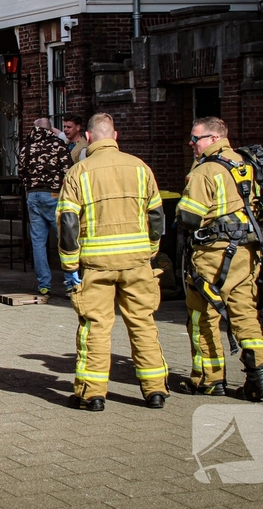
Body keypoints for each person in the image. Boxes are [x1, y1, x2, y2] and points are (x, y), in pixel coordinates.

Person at [57, 113, 169, 411]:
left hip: (96, 265)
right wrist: (151, 250)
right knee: (143, 323)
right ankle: (155, 390)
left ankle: (92, 394)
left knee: (95, 326)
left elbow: (68, 224)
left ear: (89, 138)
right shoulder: (140, 168)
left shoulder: (78, 172)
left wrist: (69, 266)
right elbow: (157, 217)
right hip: (137, 262)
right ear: (115, 136)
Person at [176, 117, 263, 401]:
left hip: (213, 257)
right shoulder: (248, 164)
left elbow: (188, 217)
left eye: (196, 139)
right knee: (245, 312)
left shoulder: (205, 171)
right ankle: (259, 378)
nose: (192, 144)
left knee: (202, 316)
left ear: (214, 138)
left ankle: (209, 380)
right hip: (247, 253)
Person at [18, 118, 74, 296]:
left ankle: (44, 285)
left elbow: (21, 173)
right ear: (51, 129)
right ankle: (71, 282)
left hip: (33, 195)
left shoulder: (27, 148)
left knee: (38, 242)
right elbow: (69, 171)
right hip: (53, 194)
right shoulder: (58, 145)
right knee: (64, 239)